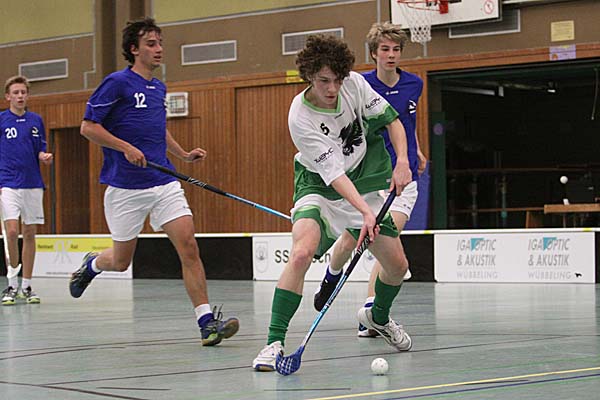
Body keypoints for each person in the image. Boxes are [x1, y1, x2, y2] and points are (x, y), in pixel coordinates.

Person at [70, 17, 239, 346]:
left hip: (163, 182)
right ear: (134, 49)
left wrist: (182, 155)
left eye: (160, 43)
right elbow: (88, 127)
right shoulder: (116, 83)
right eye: (151, 44)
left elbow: (158, 129)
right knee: (120, 262)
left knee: (189, 246)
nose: (159, 49)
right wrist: (125, 147)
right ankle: (92, 264)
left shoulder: (159, 87)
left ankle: (206, 323)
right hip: (125, 187)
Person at [253, 34, 412, 372]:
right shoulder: (300, 117)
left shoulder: (354, 84)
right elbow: (333, 174)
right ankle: (273, 343)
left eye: (337, 80)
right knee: (301, 252)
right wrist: (365, 212)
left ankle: (377, 316)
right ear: (309, 75)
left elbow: (392, 121)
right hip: (319, 185)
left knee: (397, 266)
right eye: (324, 81)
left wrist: (402, 161)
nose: (333, 88)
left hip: (362, 180)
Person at [313, 22, 427, 337]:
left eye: (396, 49)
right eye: (385, 49)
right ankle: (332, 274)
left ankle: (371, 312)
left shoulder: (414, 83)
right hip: (369, 175)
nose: (391, 55)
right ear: (374, 53)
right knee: (353, 239)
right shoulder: (358, 84)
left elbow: (406, 121)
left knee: (386, 238)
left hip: (402, 178)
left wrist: (414, 150)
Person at [0, 76, 53, 306]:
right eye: (16, 92)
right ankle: (12, 282)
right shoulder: (2, 120)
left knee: (30, 233)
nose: (20, 96)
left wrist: (44, 157)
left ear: (27, 95)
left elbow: (40, 148)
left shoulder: (35, 120)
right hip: (8, 183)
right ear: (8, 97)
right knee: (12, 232)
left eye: (23, 92)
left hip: (33, 183)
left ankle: (27, 286)